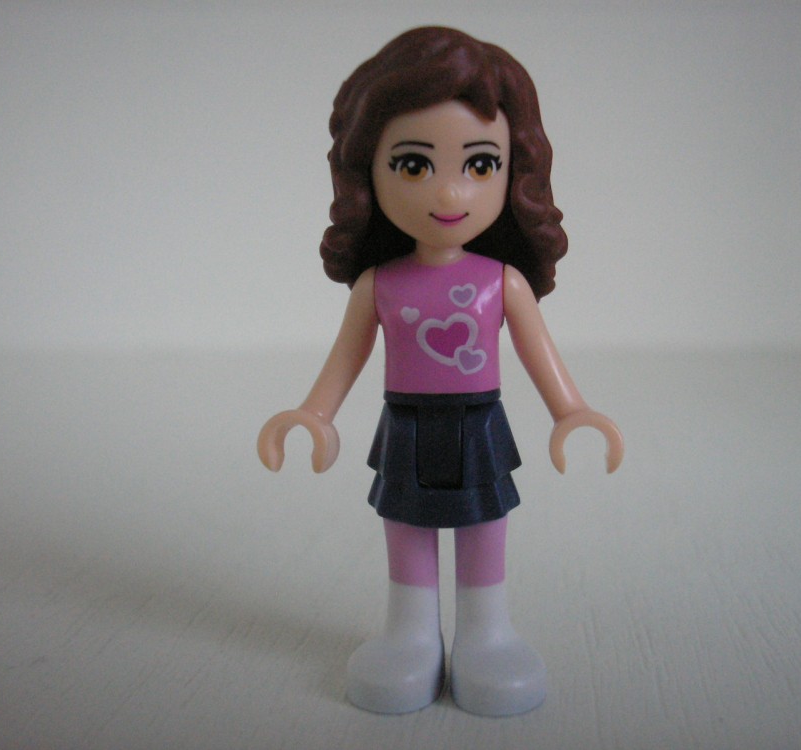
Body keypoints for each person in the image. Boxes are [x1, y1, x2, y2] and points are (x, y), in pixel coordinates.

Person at [258, 26, 623, 716]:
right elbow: (346, 358)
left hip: (480, 420)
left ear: (514, 172)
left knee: (484, 522)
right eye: (413, 164)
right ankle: (411, 632)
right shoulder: (380, 284)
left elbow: (538, 351)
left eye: (480, 164)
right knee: (406, 523)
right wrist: (315, 414)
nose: (449, 190)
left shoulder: (501, 281)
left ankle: (487, 631)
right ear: (369, 172)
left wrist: (571, 410)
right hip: (404, 422)